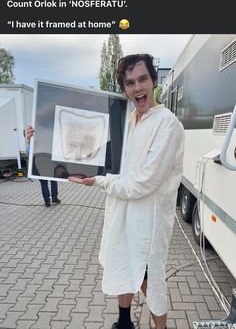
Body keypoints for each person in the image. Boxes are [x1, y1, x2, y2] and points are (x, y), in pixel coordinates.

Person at [69, 54, 185, 329]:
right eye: (129, 82)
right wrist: (45, 142)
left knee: (148, 278)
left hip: (148, 220)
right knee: (122, 263)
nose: (137, 88)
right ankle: (124, 322)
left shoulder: (167, 125)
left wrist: (100, 182)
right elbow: (91, 149)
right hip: (122, 212)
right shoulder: (128, 120)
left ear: (154, 81)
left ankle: (161, 326)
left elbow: (145, 182)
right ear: (124, 88)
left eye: (143, 79)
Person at [26, 125, 61, 207]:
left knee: (44, 183)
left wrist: (28, 141)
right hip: (49, 162)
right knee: (53, 180)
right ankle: (54, 198)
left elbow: (28, 152)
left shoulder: (34, 138)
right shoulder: (49, 137)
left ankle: (47, 201)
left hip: (39, 163)